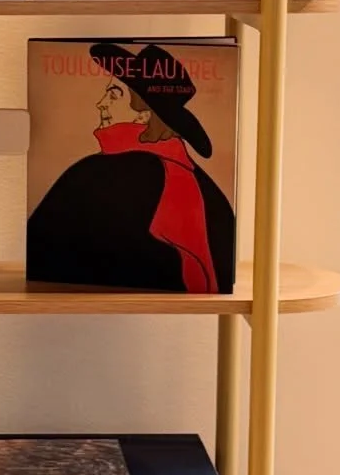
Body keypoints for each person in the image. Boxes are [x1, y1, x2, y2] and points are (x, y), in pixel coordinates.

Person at [26, 41, 234, 293]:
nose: (101, 103)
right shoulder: (211, 192)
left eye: (114, 94)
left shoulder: (95, 174)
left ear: (144, 113)